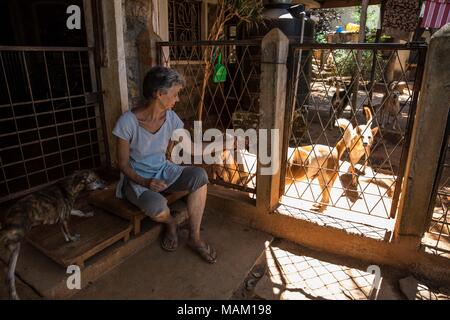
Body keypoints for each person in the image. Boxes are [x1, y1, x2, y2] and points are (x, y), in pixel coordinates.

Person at [112, 66, 217, 263]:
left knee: (199, 176)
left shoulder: (171, 118)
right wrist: (145, 182)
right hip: (137, 181)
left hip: (163, 171)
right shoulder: (127, 122)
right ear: (159, 94)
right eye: (175, 94)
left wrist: (226, 143)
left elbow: (192, 147)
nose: (177, 99)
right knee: (159, 209)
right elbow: (123, 164)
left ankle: (194, 238)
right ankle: (171, 224)